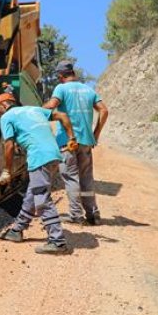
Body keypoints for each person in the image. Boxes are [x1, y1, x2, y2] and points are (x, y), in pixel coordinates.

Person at [0, 93, 78, 255]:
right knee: (33, 192)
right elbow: (62, 115)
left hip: (39, 156)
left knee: (41, 198)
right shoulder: (33, 109)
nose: (0, 114)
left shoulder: (7, 117)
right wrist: (71, 137)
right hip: (53, 154)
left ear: (4, 105)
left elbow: (8, 145)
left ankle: (57, 241)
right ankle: (17, 230)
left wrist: (6, 170)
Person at [42, 60, 109, 225]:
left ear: (60, 76)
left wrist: (37, 112)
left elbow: (51, 105)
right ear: (73, 73)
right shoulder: (88, 90)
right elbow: (104, 110)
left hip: (67, 141)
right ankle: (92, 213)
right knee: (86, 177)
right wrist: (96, 134)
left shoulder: (61, 88)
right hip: (86, 141)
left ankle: (76, 215)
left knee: (71, 177)